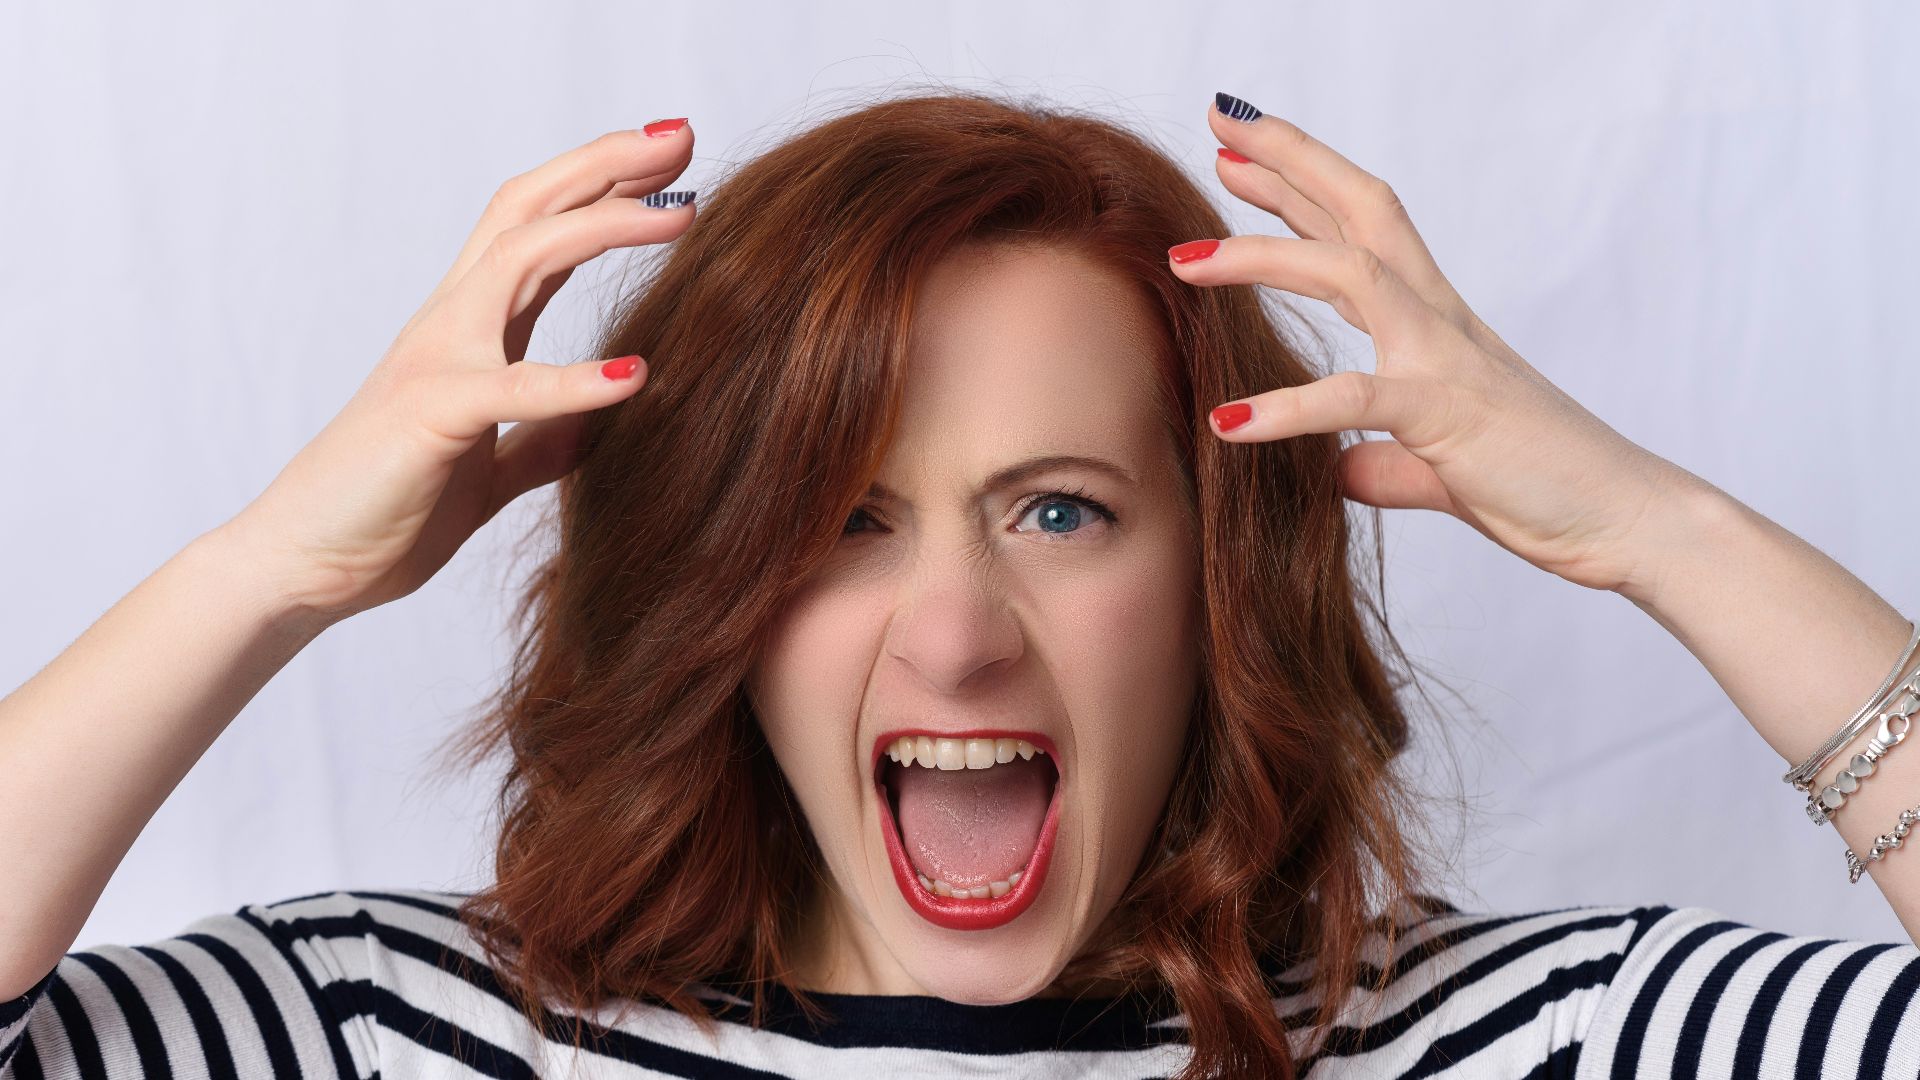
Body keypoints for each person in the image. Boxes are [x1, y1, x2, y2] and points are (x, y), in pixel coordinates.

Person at [2, 88, 1916, 1080]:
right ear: (715, 594)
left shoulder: (1523, 1042)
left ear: (1217, 579)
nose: (953, 628)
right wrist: (266, 571)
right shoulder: (391, 1031)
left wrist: (1662, 531)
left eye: (1060, 510)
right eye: (838, 522)